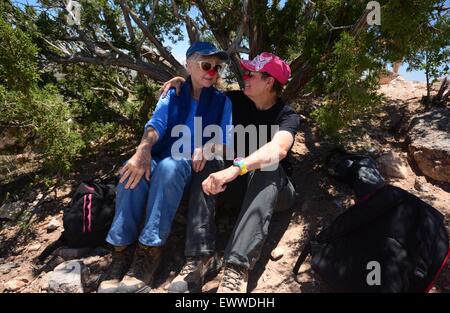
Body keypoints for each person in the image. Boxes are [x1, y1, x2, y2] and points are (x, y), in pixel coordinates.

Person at [97, 42, 233, 293]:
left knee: (169, 168)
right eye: (206, 65)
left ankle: (149, 253)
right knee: (132, 174)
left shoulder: (222, 102)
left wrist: (208, 146)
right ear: (189, 64)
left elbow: (225, 138)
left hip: (192, 163)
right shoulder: (173, 93)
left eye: (217, 68)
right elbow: (155, 124)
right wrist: (143, 150)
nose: (212, 72)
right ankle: (121, 252)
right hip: (164, 156)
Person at [163, 52, 300, 293]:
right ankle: (199, 257)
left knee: (268, 166)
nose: (245, 77)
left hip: (275, 191)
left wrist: (237, 168)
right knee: (206, 158)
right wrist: (182, 82)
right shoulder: (234, 100)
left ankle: (236, 268)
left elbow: (278, 149)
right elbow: (199, 90)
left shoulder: (286, 116)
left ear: (269, 82)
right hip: (239, 186)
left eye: (251, 74)